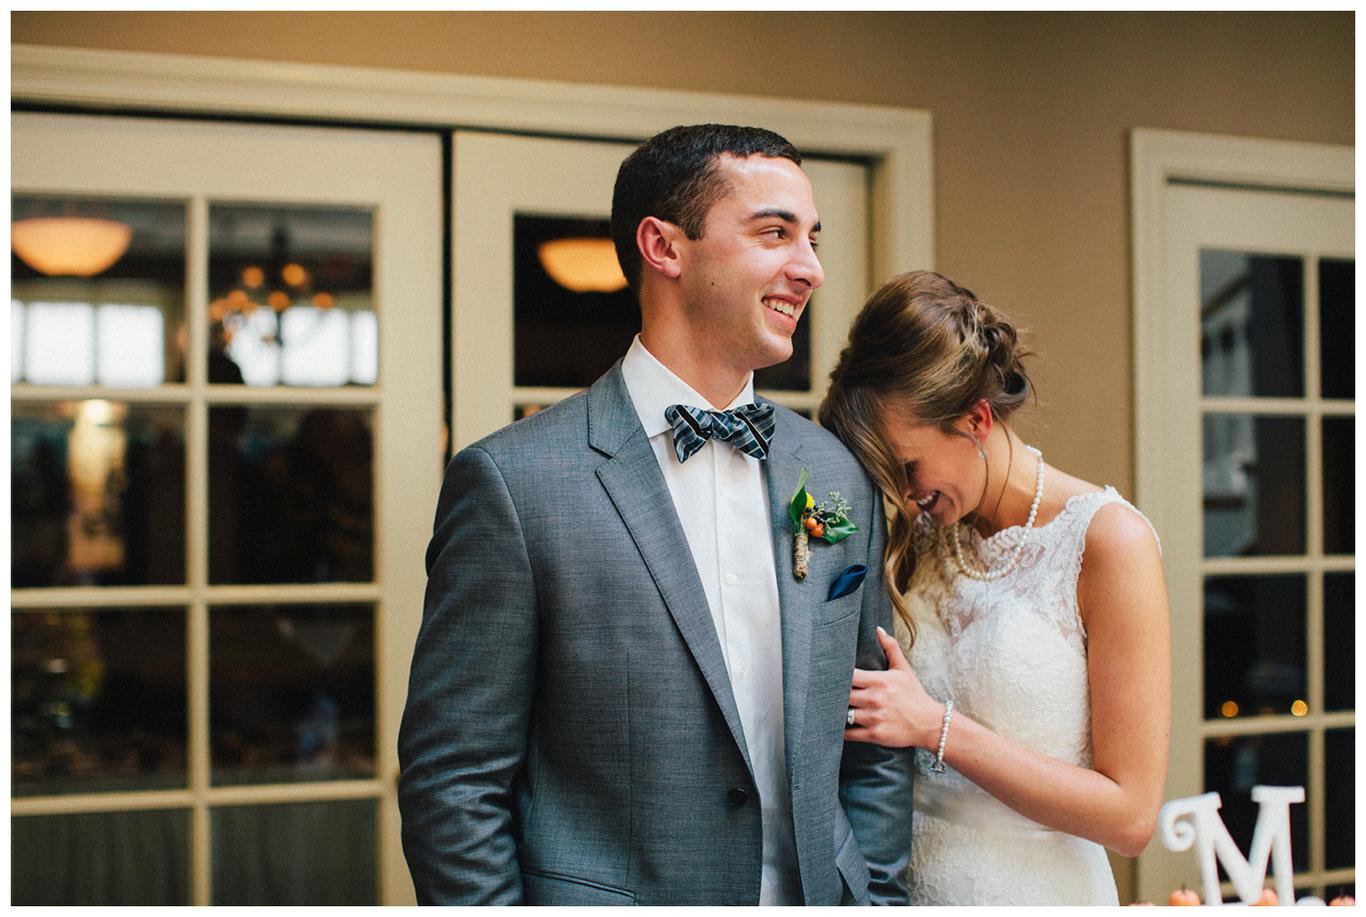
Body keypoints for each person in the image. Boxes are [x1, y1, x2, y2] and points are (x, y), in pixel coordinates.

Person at [398, 124, 913, 906]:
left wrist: (875, 898)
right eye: (774, 233)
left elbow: (874, 734)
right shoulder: (514, 484)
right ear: (664, 246)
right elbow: (454, 780)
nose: (810, 267)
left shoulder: (833, 471)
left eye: (811, 238)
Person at [819, 270, 1170, 905]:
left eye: (908, 467)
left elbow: (1130, 817)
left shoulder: (1109, 542)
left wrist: (935, 727)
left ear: (976, 419)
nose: (905, 497)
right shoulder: (921, 538)